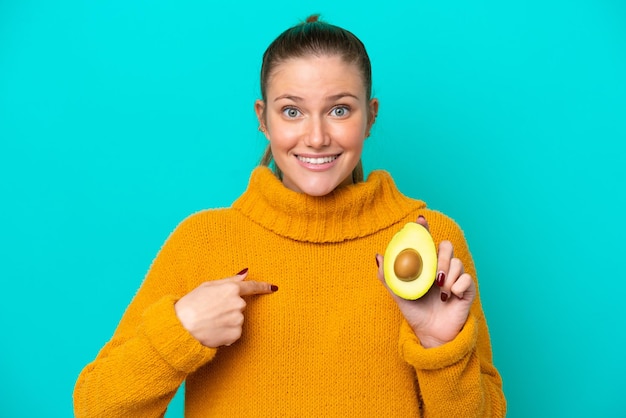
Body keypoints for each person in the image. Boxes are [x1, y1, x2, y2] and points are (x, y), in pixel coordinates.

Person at [74, 15, 506, 417]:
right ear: (263, 119)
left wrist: (440, 345)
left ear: (370, 116)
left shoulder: (430, 240)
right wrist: (180, 331)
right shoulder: (202, 241)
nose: (316, 138)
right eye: (292, 111)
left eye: (339, 109)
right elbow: (95, 406)